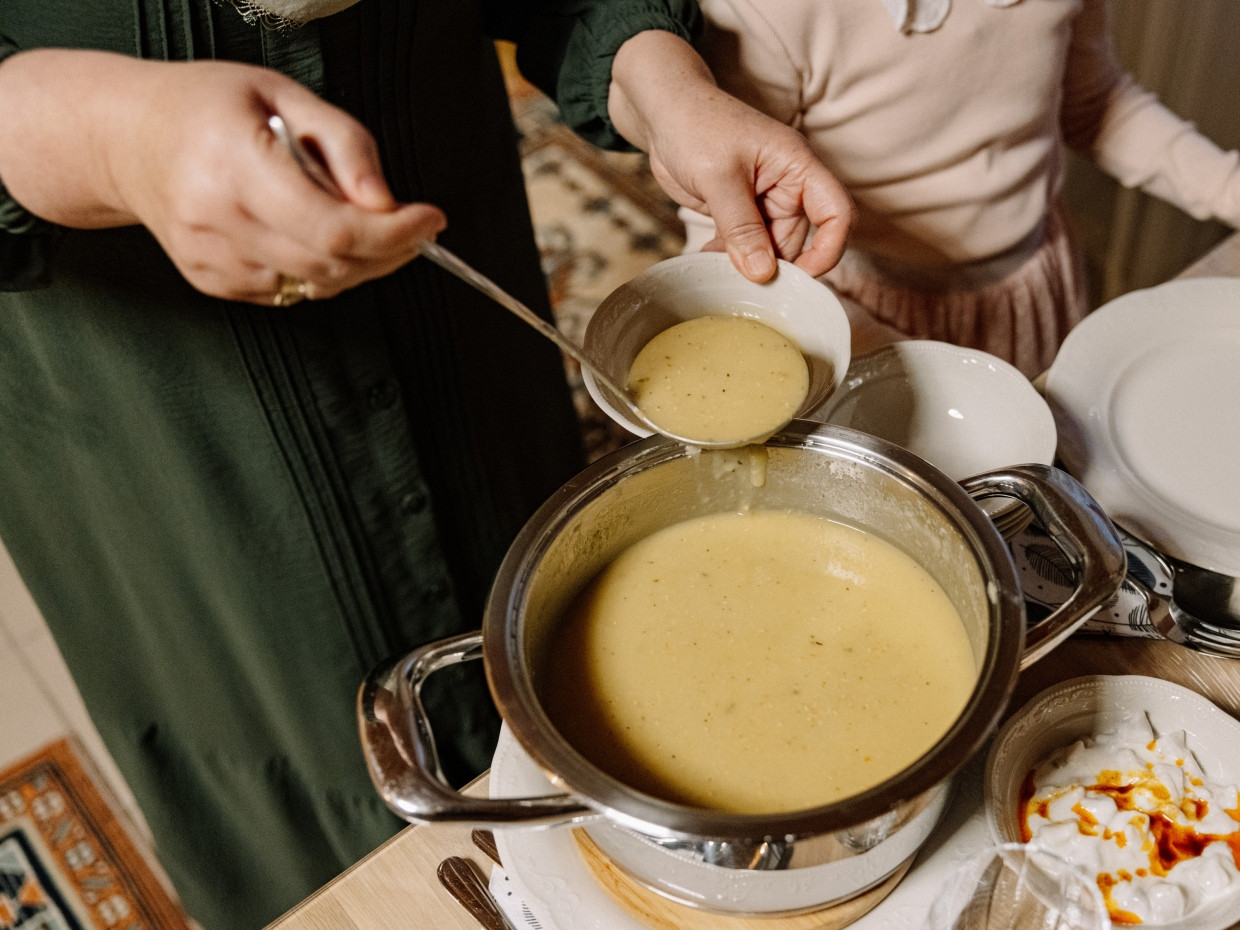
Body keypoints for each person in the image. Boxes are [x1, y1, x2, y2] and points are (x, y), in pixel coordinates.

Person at [0, 2, 853, 928]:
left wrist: (654, 77)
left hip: (452, 268)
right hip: (155, 418)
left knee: (554, 616)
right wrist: (100, 136)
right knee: (300, 764)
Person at [680, 0, 1240, 376]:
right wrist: (886, 358)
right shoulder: (764, 12)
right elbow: (727, 227)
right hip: (858, 307)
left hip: (1033, 286)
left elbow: (1095, 104)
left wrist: (1225, 186)